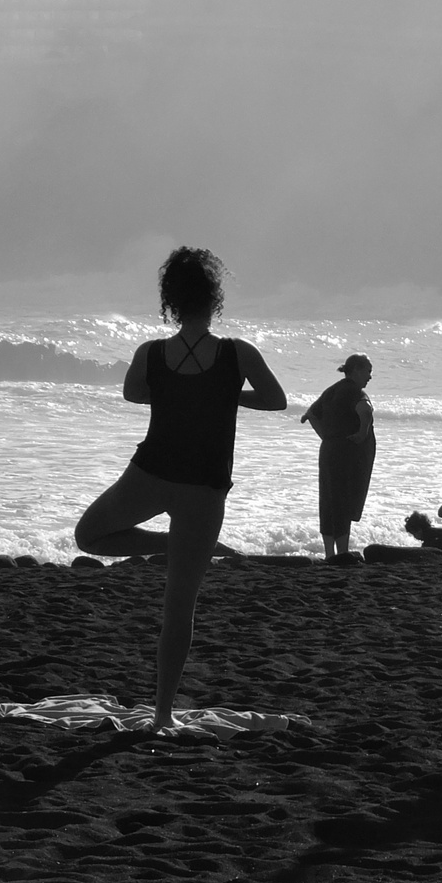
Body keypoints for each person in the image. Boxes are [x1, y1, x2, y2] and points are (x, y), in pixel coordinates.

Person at [74, 246, 287, 731]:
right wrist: (227, 394)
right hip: (204, 487)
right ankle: (163, 714)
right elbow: (277, 401)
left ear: (170, 302)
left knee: (89, 536)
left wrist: (175, 394)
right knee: (179, 607)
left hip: (149, 474)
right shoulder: (237, 353)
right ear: (214, 301)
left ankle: (178, 547)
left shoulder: (150, 352)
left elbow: (132, 392)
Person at [300, 354, 376, 561]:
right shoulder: (355, 391)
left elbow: (309, 415)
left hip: (329, 450)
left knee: (328, 500)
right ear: (357, 370)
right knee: (344, 499)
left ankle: (329, 554)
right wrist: (362, 433)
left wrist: (326, 436)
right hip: (349, 453)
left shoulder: (331, 390)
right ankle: (342, 553)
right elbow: (365, 410)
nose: (370, 376)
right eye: (368, 371)